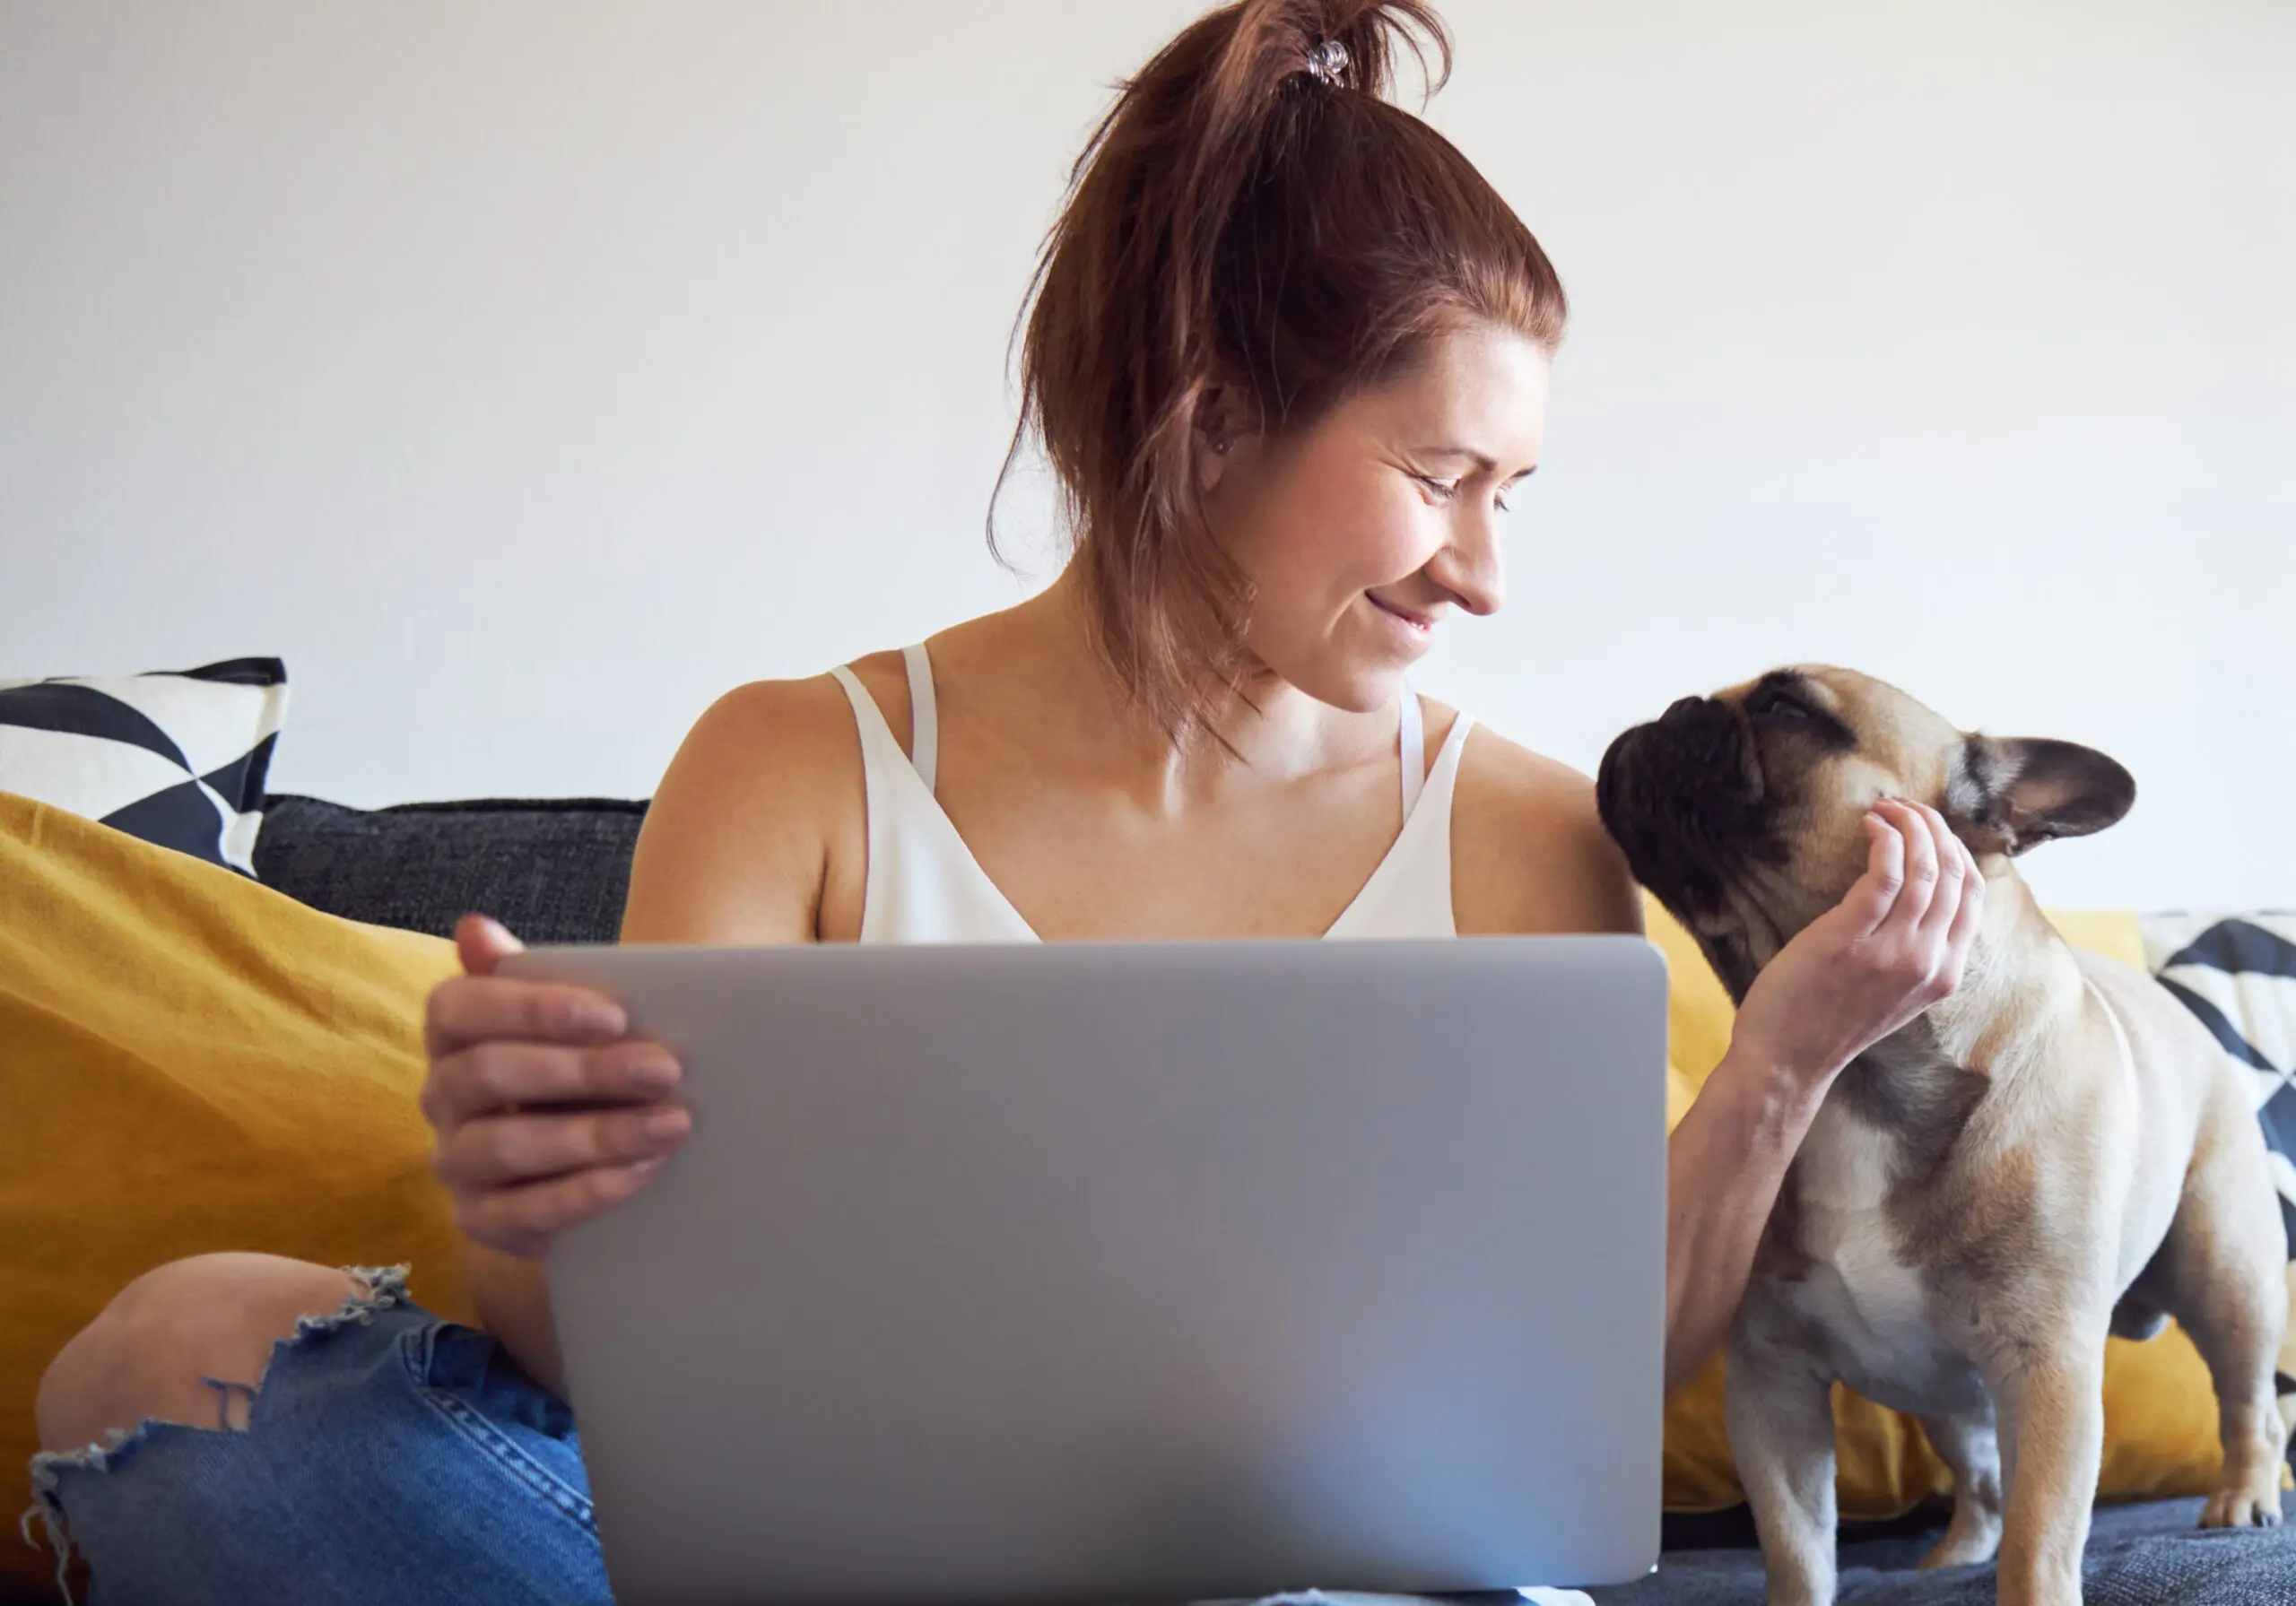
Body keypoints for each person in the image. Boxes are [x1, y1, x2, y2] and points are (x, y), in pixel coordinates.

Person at [28, 2, 1982, 1601]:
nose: (1481, 573)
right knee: (177, 1354)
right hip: (828, 1567)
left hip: (1325, 1590)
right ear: (1208, 412)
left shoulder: (1520, 832)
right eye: (1439, 476)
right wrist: (533, 1201)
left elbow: (1580, 1385)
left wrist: (1781, 1058)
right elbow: (595, 1386)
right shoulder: (791, 767)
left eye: (1509, 496)